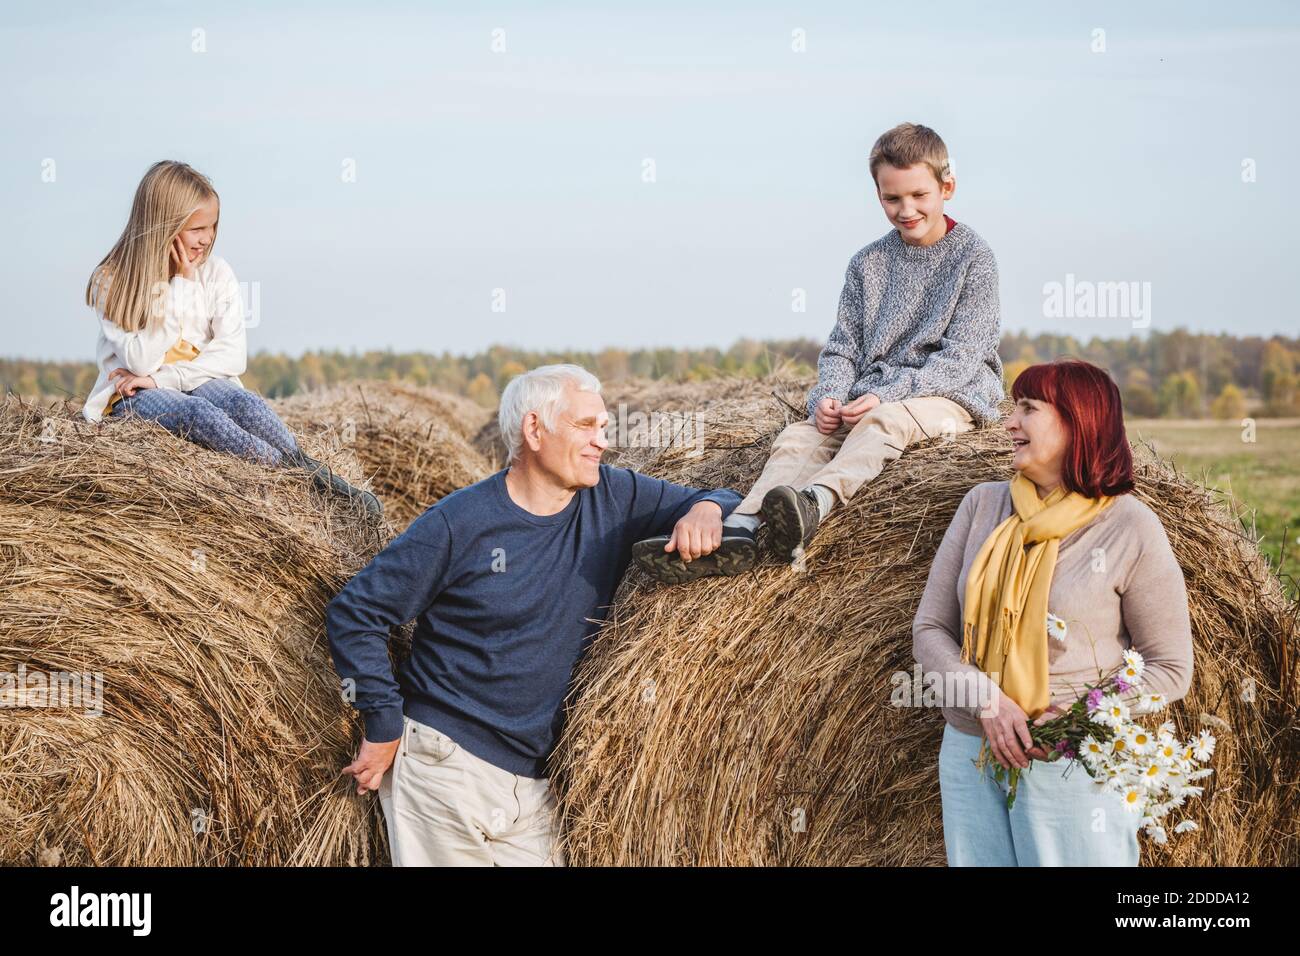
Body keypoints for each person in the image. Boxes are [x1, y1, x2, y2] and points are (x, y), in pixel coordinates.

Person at [326, 364, 743, 865]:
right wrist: (383, 721)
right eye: (586, 426)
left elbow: (717, 495)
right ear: (534, 429)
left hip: (535, 783)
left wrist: (707, 511)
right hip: (446, 765)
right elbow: (357, 611)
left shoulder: (613, 496)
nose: (601, 442)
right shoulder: (460, 523)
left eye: (604, 427)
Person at [633, 122, 1004, 584]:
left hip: (950, 393)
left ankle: (816, 504)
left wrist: (888, 396)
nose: (906, 209)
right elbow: (842, 347)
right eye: (892, 199)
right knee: (797, 439)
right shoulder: (868, 264)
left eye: (918, 195)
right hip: (870, 394)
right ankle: (741, 530)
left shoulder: (973, 257)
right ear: (878, 196)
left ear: (946, 187)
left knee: (882, 424)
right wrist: (827, 396)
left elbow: (962, 356)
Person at [912, 359, 1195, 866]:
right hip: (969, 751)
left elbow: (1169, 667)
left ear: (1076, 422)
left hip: (1067, 761)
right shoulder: (983, 506)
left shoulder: (1129, 526)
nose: (1009, 423)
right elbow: (930, 630)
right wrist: (986, 701)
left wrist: (1078, 717)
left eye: (1027, 409)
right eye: (1011, 407)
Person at [81, 160, 380, 514]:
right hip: (131, 397)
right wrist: (181, 288)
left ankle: (314, 475)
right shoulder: (113, 281)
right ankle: (291, 485)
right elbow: (140, 362)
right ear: (163, 225)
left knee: (246, 405)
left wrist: (164, 377)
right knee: (200, 414)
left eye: (212, 227)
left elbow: (232, 356)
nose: (207, 238)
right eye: (196, 229)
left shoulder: (217, 273)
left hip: (191, 379)